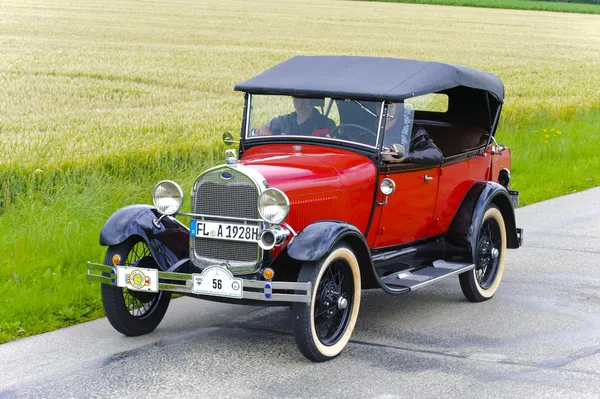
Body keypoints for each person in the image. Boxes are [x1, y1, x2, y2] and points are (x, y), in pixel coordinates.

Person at [252, 97, 335, 137]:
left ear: (313, 100)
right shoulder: (283, 121)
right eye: (298, 98)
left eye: (305, 98)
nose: (301, 104)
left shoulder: (327, 124)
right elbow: (252, 133)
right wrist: (261, 129)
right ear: (293, 100)